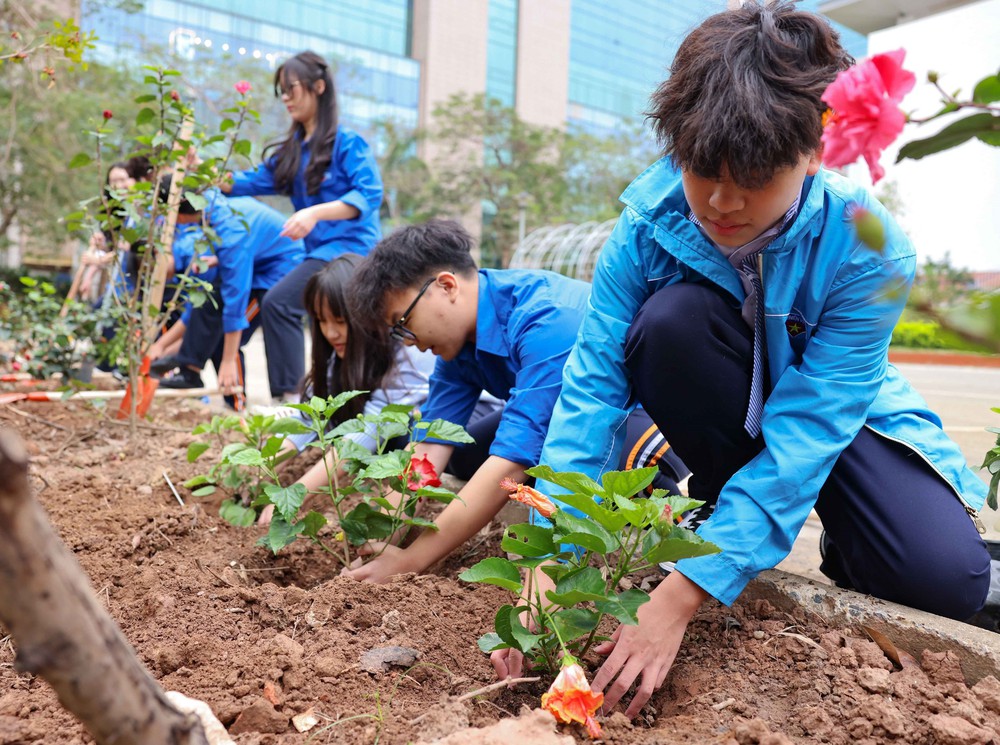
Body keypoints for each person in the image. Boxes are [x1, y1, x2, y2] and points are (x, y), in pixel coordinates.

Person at [491, 0, 994, 717]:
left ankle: (793, 532)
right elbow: (591, 390)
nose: (722, 201)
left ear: (815, 151)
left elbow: (813, 427)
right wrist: (548, 553)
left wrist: (678, 595)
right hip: (726, 419)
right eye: (702, 169)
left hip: (838, 424)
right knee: (669, 321)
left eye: (753, 175)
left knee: (947, 581)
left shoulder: (871, 245)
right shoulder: (648, 225)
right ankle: (732, 517)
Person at [340, 219, 689, 583]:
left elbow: (511, 462)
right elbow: (431, 445)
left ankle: (668, 492)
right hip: (556, 422)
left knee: (619, 458)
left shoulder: (546, 319)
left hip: (632, 415)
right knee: (464, 456)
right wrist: (391, 531)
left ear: (446, 286)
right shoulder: (458, 346)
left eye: (402, 323)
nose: (407, 341)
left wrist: (410, 561)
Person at [221, 50, 384, 402]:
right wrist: (206, 175)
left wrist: (315, 213)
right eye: (281, 90)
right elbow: (247, 181)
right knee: (319, 324)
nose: (285, 98)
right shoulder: (294, 152)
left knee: (280, 302)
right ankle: (311, 403)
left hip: (352, 252)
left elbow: (369, 194)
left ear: (318, 87)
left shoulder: (347, 143)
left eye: (291, 88)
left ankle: (293, 399)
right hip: (318, 256)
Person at [256, 254, 446, 525]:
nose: (331, 333)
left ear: (369, 312)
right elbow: (310, 418)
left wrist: (295, 495)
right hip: (389, 435)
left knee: (399, 437)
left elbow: (366, 432)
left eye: (340, 320)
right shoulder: (341, 356)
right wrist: (264, 467)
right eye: (321, 321)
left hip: (458, 437)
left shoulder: (407, 351)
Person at [152, 184, 305, 404]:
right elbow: (196, 312)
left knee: (229, 338)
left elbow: (236, 301)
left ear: (181, 214)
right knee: (211, 307)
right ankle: (190, 371)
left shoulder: (223, 235)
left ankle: (241, 402)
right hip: (257, 261)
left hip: (279, 270)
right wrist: (161, 347)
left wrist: (227, 361)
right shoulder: (208, 213)